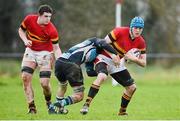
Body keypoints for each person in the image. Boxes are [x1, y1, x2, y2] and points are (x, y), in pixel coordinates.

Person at [80, 16, 147, 116]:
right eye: (136, 27)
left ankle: (122, 112)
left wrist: (133, 59)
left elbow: (144, 63)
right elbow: (102, 43)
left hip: (117, 63)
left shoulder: (141, 42)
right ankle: (86, 105)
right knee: (102, 76)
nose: (138, 30)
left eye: (140, 28)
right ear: (131, 27)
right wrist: (113, 55)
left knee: (132, 87)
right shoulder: (119, 31)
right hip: (103, 57)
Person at [48, 37, 120, 114]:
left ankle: (59, 110)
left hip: (59, 62)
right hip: (71, 65)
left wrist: (103, 72)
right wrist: (115, 54)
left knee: (63, 86)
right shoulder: (94, 41)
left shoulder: (90, 51)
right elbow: (103, 43)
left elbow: (89, 72)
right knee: (79, 96)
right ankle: (57, 105)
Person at [18, 4, 62, 114]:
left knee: (44, 83)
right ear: (39, 15)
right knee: (25, 77)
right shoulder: (29, 19)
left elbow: (56, 48)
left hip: (46, 53)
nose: (48, 19)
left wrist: (61, 60)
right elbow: (21, 30)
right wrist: (25, 40)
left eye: (50, 17)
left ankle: (49, 103)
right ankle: (31, 107)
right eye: (46, 16)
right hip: (31, 51)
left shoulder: (52, 30)